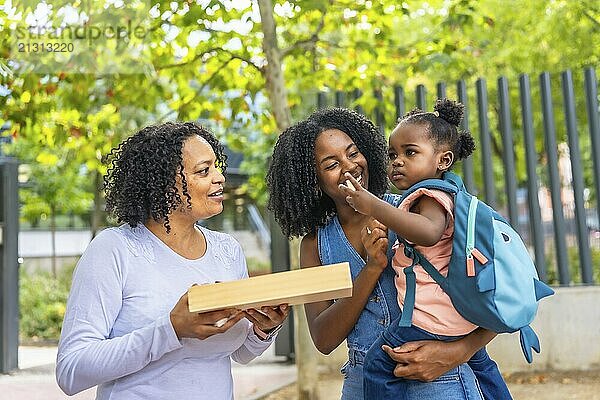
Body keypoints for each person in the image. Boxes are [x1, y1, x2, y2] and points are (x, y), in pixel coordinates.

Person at [267, 107, 512, 400]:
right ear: (313, 181)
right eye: (331, 164)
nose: (350, 166)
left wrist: (457, 352)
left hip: (441, 379)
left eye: (353, 152)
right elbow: (324, 338)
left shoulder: (419, 211)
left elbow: (496, 293)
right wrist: (372, 267)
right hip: (365, 383)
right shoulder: (315, 245)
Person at [56, 121, 289, 400]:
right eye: (203, 171)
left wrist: (263, 328)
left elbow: (238, 353)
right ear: (164, 185)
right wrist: (171, 330)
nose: (219, 178)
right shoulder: (114, 250)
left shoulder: (227, 250)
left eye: (216, 166)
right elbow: (71, 371)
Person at [340, 99, 510, 399]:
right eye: (392, 154)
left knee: (377, 364)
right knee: (482, 364)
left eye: (410, 152)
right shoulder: (437, 195)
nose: (397, 161)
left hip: (429, 319)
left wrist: (371, 204)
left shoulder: (432, 196)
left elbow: (429, 233)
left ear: (443, 161)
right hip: (458, 318)